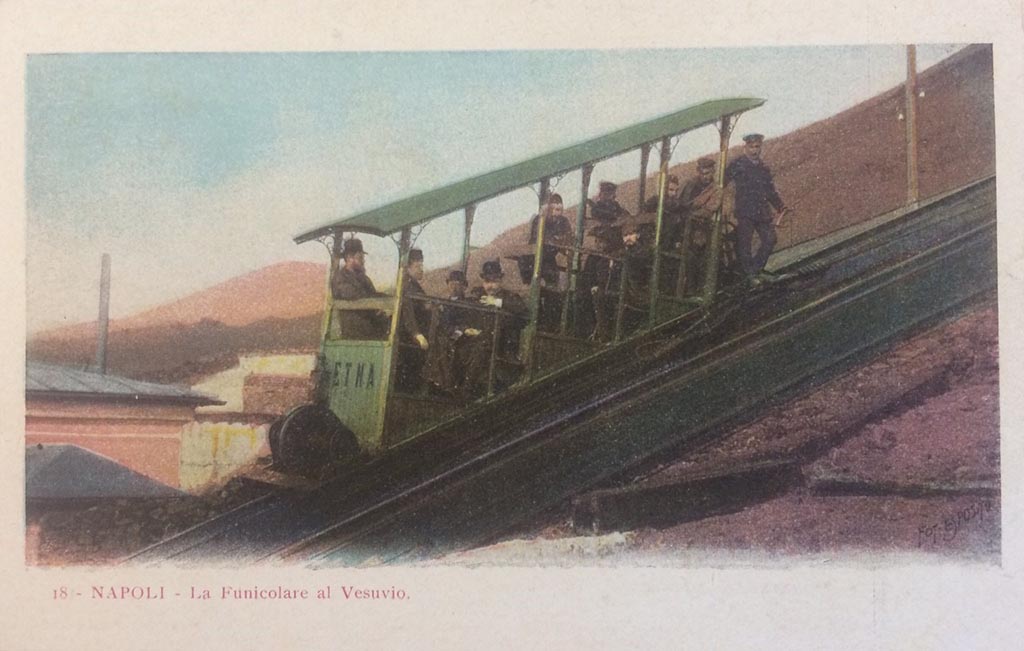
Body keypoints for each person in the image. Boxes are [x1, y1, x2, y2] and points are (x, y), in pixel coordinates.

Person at [724, 134, 790, 284]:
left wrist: (780, 206)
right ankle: (750, 275)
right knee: (744, 244)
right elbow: (722, 182)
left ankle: (755, 270)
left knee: (770, 239)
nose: (755, 150)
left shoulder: (763, 168)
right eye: (751, 147)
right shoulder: (737, 164)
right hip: (745, 212)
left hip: (762, 212)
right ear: (745, 147)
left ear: (761, 147)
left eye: (757, 146)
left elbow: (770, 190)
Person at [459, 260, 528, 398]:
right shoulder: (477, 296)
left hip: (502, 345)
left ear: (500, 280)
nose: (490, 286)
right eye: (487, 281)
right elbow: (464, 318)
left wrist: (497, 302)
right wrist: (468, 329)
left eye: (494, 281)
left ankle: (467, 390)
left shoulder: (509, 297)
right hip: (478, 340)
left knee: (482, 347)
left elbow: (523, 311)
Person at [581, 181, 631, 340]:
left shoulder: (618, 211)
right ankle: (591, 328)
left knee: (603, 289)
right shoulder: (598, 210)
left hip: (614, 253)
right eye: (604, 195)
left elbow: (623, 222)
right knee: (585, 287)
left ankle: (602, 330)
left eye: (609, 195)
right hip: (601, 256)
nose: (606, 198)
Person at [330, 238, 390, 340]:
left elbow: (373, 294)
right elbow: (352, 295)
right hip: (357, 328)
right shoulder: (340, 277)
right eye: (360, 257)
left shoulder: (364, 278)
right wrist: (376, 308)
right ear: (349, 257)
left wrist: (391, 298)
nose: (363, 261)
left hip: (371, 323)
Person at [423, 269, 473, 394]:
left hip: (457, 335)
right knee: (436, 343)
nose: (454, 287)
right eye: (451, 283)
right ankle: (435, 382)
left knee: (445, 345)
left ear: (464, 287)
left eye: (458, 284)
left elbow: (465, 323)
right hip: (443, 334)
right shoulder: (445, 303)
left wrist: (457, 332)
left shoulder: (467, 304)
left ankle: (446, 385)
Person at [395, 248, 431, 392]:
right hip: (408, 335)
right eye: (417, 266)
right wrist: (417, 334)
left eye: (422, 266)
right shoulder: (407, 286)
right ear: (408, 267)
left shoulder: (414, 285)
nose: (421, 269)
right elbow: (408, 311)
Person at [525, 193, 575, 287]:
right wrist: (558, 240)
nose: (556, 217)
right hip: (534, 257)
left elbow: (569, 239)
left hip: (549, 257)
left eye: (559, 209)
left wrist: (564, 244)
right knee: (535, 281)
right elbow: (541, 239)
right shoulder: (539, 220)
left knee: (553, 279)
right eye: (554, 210)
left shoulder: (563, 221)